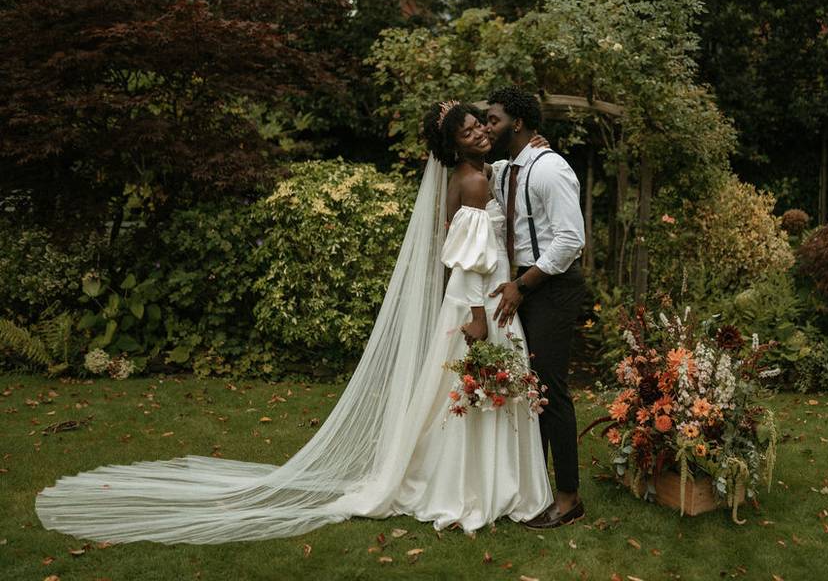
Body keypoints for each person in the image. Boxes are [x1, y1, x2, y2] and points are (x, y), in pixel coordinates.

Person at [33, 101, 552, 544]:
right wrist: (479, 317)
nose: (484, 130)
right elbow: (467, 262)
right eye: (470, 130)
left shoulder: (474, 177)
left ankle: (472, 483)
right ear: (454, 145)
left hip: (480, 302)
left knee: (459, 399)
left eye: (483, 125)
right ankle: (475, 488)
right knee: (472, 396)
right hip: (480, 305)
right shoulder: (476, 182)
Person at [486, 86, 587, 529]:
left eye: (493, 120)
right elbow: (472, 164)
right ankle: (537, 487)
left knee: (551, 389)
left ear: (519, 124)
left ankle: (569, 498)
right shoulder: (508, 170)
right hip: (525, 286)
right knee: (531, 392)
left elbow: (570, 241)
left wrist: (522, 286)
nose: (488, 126)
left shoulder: (550, 170)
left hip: (552, 286)